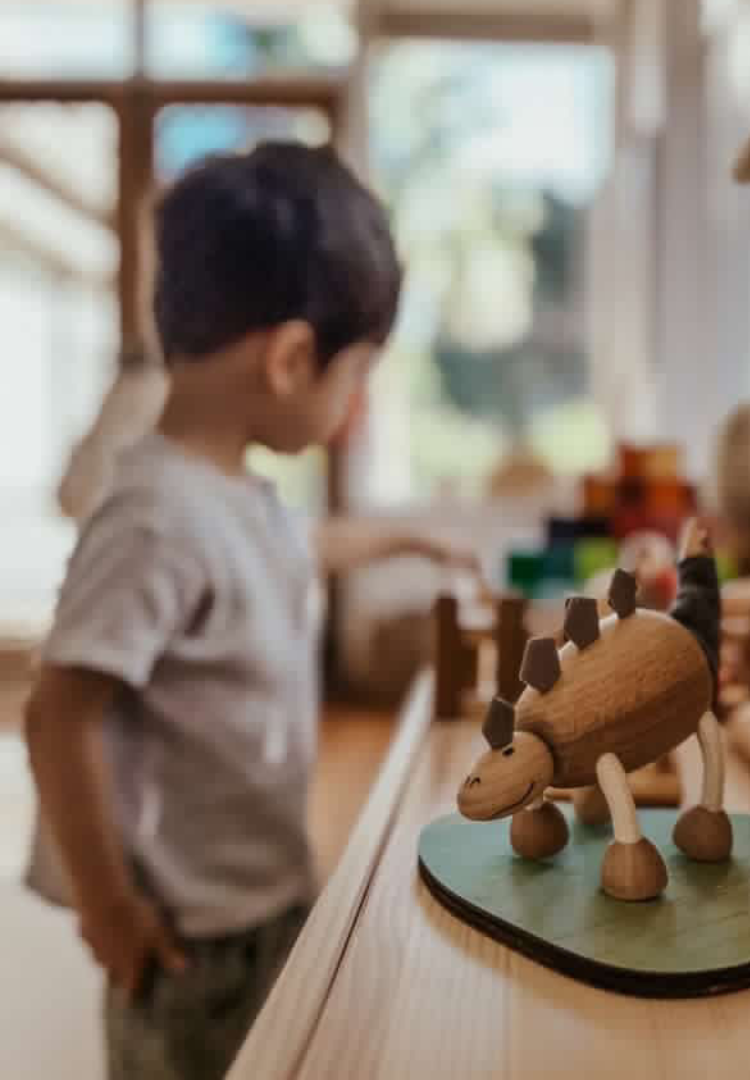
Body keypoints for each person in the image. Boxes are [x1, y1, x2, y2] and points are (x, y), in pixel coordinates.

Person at [23, 141, 472, 1080]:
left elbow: (292, 551)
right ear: (292, 357)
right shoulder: (154, 517)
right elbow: (57, 711)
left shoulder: (230, 493)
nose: (350, 403)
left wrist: (409, 539)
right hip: (191, 944)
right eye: (352, 379)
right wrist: (109, 910)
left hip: (264, 896)